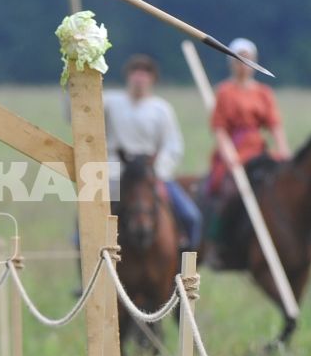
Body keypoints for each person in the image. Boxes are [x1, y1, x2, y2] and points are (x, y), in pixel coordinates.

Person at [103, 54, 200, 247]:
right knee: (89, 219)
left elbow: (173, 146)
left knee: (191, 216)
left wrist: (159, 170)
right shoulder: (109, 102)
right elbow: (77, 116)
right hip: (116, 171)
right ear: (128, 76)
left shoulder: (161, 109)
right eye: (135, 72)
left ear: (152, 79)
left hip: (151, 173)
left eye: (145, 73)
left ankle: (185, 263)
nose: (139, 78)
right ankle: (87, 258)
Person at [202, 36, 288, 244]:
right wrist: (229, 154)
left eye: (248, 59)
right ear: (231, 63)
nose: (244, 64)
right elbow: (220, 128)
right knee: (226, 189)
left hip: (257, 149)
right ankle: (218, 237)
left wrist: (283, 150)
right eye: (239, 59)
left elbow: (274, 124)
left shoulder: (263, 92)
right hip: (234, 149)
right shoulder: (225, 91)